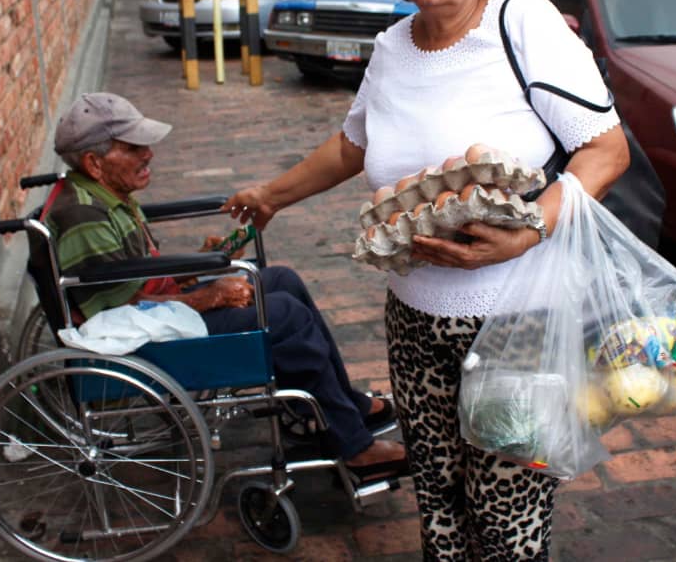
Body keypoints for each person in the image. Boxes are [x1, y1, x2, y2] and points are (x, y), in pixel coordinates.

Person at [225, 0, 629, 560]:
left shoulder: (521, 24)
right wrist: (272, 195)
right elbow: (353, 145)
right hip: (414, 318)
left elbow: (606, 151)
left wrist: (526, 231)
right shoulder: (392, 47)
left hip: (517, 322)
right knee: (439, 503)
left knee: (506, 518)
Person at [45, 92, 407, 478]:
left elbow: (135, 276)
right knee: (284, 315)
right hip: (137, 336)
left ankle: (338, 405)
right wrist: (209, 295)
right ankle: (353, 447)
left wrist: (197, 264)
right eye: (133, 148)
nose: (148, 154)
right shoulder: (85, 217)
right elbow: (123, 308)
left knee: (282, 280)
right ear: (94, 163)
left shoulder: (106, 194)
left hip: (153, 310)